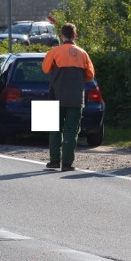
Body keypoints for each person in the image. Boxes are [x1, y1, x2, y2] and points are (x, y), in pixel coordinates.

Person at [41, 22, 95, 172]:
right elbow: (90, 75)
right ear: (75, 35)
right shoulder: (83, 53)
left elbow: (45, 69)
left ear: (61, 35)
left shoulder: (54, 51)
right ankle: (67, 163)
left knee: (54, 129)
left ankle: (54, 161)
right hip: (76, 97)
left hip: (55, 95)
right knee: (71, 131)